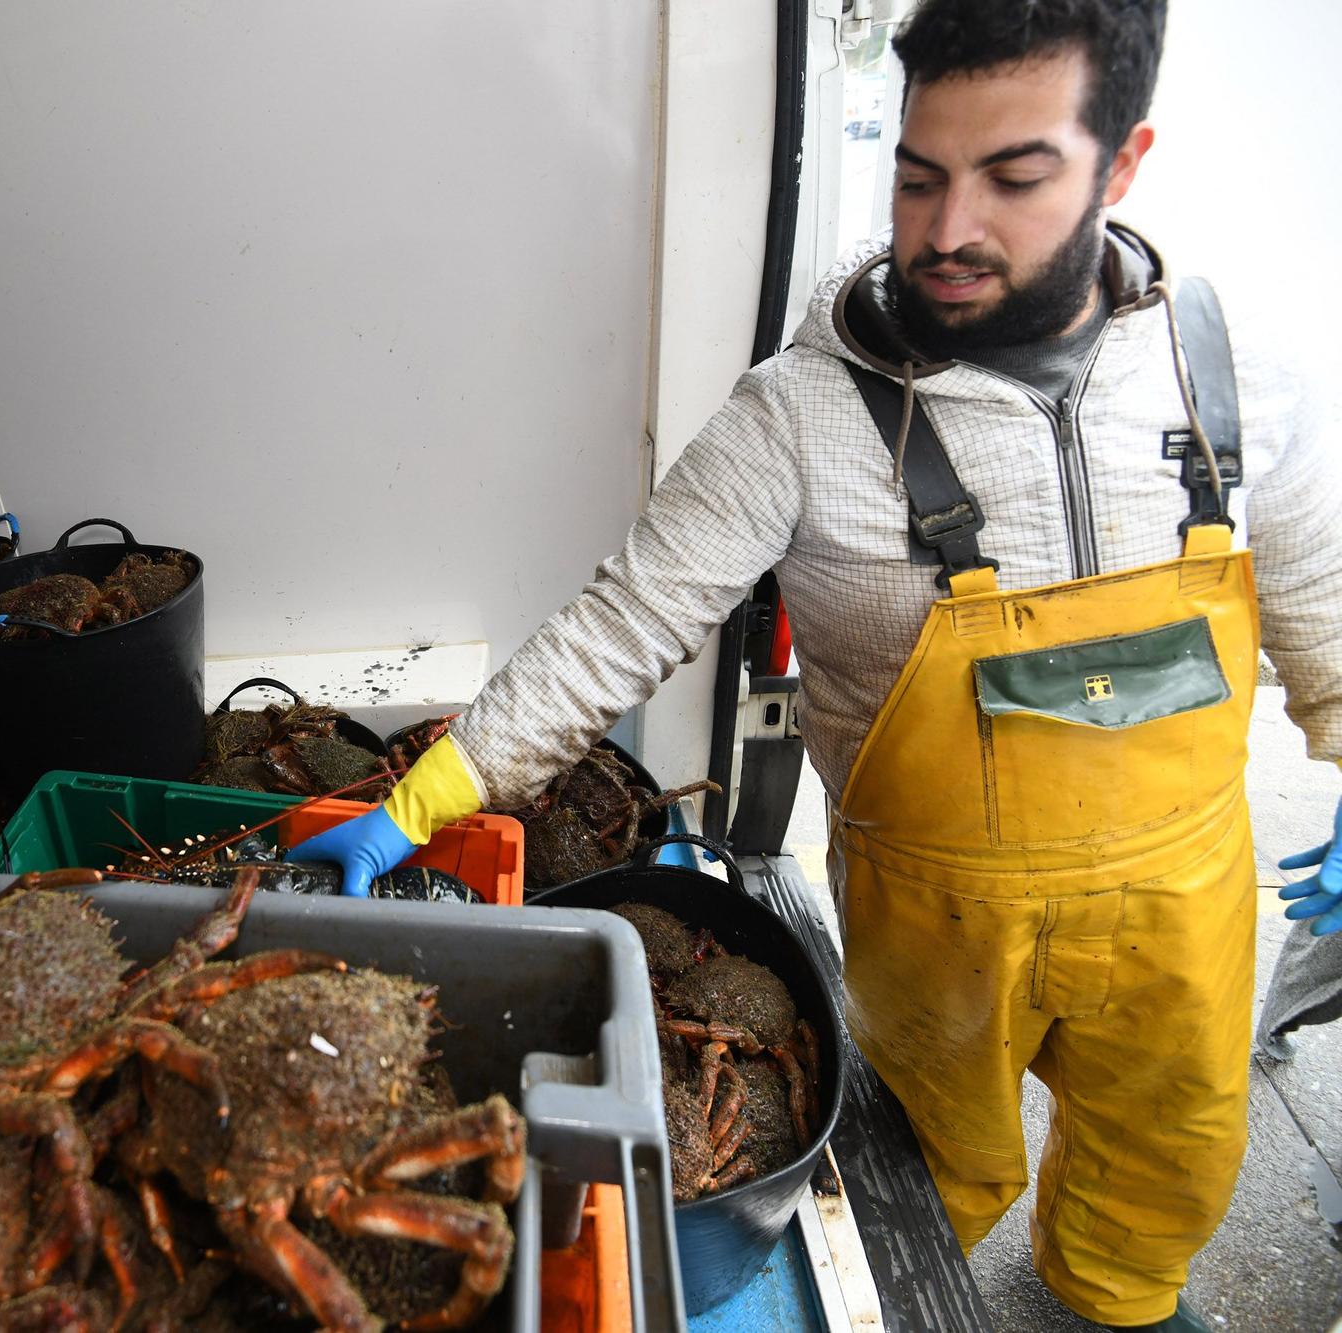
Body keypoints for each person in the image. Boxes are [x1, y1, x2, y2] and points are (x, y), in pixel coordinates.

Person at [289, 2, 1342, 1328]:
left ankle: (1113, 1291)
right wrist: (416, 805)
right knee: (914, 1186)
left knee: (1168, 1160)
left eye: (1014, 178)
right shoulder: (800, 416)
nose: (944, 230)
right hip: (932, 932)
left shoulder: (1242, 372)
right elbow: (615, 628)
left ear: (1121, 164)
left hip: (1183, 909)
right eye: (917, 175)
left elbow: (1324, 608)